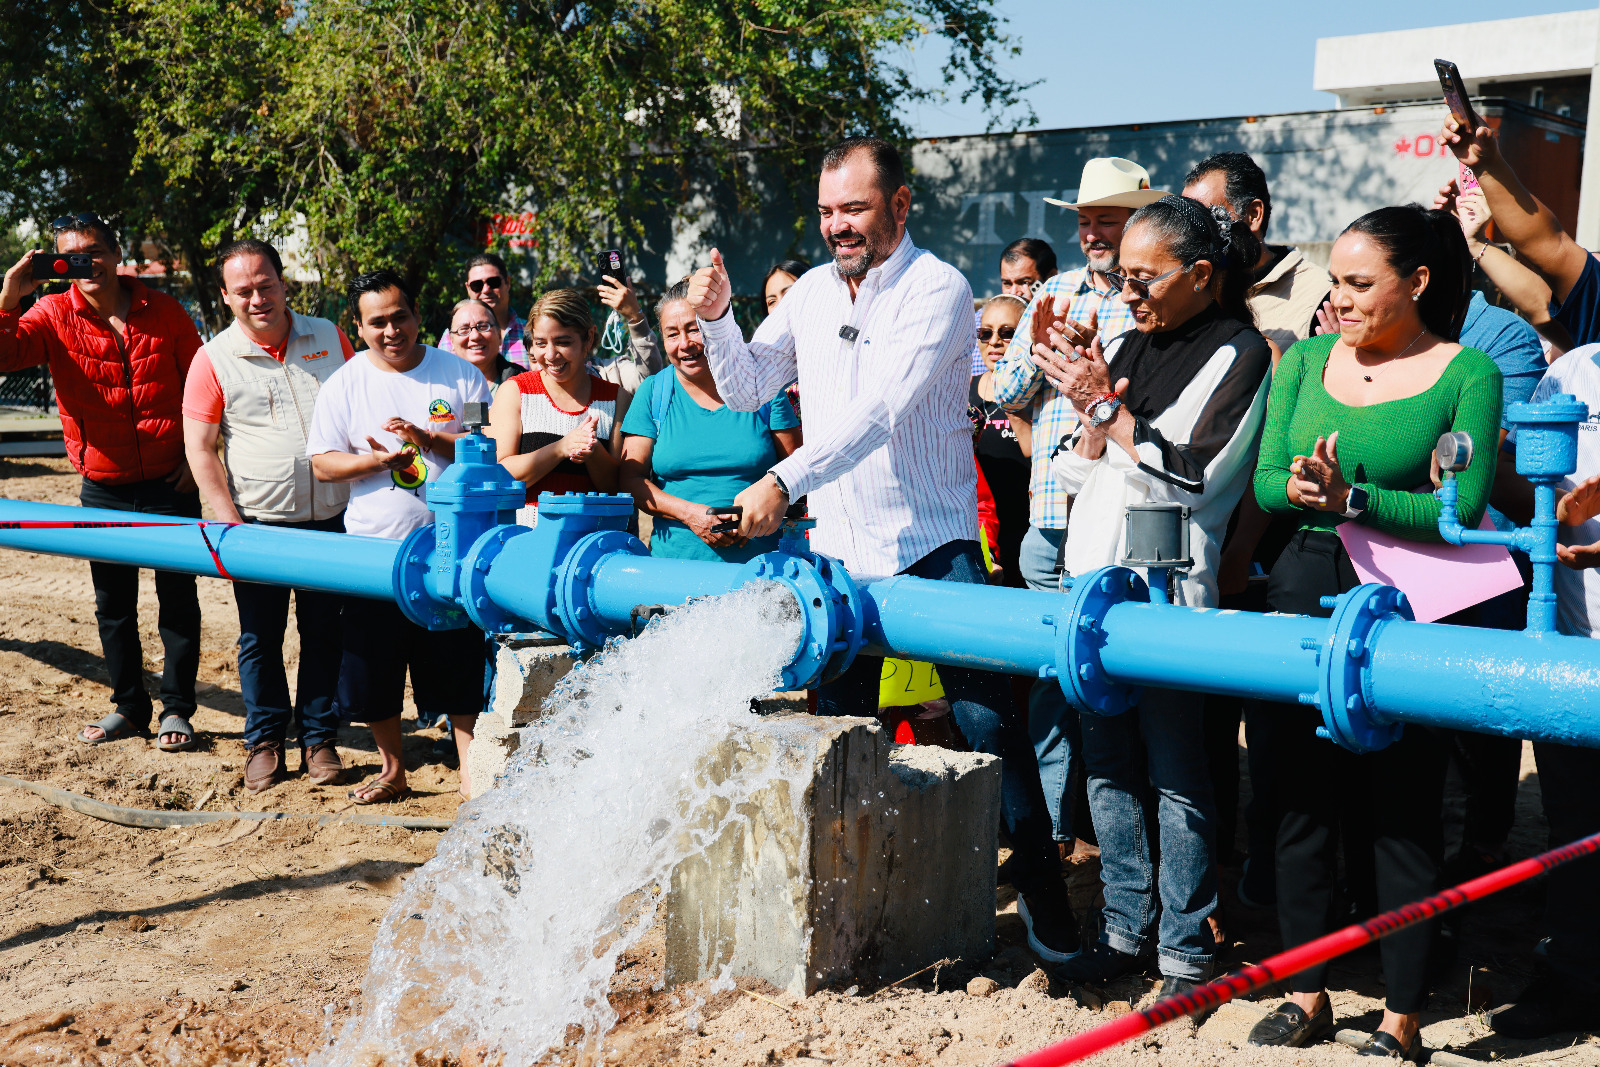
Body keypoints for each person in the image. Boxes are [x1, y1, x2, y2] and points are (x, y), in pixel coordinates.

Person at [687, 135, 1081, 964]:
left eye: (855, 209)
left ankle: (1054, 932)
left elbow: (881, 412)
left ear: (900, 205)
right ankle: (847, 926)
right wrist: (718, 318)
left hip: (936, 547)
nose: (838, 225)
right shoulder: (810, 291)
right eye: (827, 211)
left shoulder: (939, 288)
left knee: (992, 732)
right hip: (841, 557)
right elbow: (747, 387)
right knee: (840, 741)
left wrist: (782, 480)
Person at [1246, 205, 1500, 1057]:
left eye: (1361, 283)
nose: (1341, 300)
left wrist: (1355, 498)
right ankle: (1306, 990)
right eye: (1336, 283)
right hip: (1301, 582)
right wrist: (1306, 491)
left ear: (1417, 282)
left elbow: (1463, 509)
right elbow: (1268, 481)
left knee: (1403, 804)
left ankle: (1401, 1014)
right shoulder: (1303, 358)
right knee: (1297, 799)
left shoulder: (1467, 371)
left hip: (1408, 597)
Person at [1031, 194, 1272, 994]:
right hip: (1092, 585)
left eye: (1144, 278)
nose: (1127, 293)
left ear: (1201, 273)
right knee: (1106, 767)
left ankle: (1186, 947)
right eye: (1122, 276)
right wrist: (1085, 406)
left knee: (1177, 772)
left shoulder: (1241, 351)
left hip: (1168, 591)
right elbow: (1075, 468)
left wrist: (1106, 407)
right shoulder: (1123, 341)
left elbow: (1191, 474)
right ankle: (1123, 928)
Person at [994, 157, 1162, 855]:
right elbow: (1006, 393)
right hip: (1049, 519)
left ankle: (1113, 833)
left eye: (1107, 220)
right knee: (1050, 680)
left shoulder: (1153, 299)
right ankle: (1053, 833)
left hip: (1121, 525)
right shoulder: (1052, 292)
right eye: (1087, 221)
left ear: (1136, 225)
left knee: (1122, 679)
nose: (1093, 233)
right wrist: (1039, 352)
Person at [0, 213, 203, 752]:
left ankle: (177, 709)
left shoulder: (164, 310)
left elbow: (203, 385)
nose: (84, 264)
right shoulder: (50, 313)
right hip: (103, 487)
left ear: (116, 255)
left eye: (93, 252)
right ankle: (130, 707)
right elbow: (4, 356)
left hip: (171, 481)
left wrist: (198, 457)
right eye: (70, 256)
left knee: (177, 600)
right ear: (55, 264)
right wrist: (9, 296)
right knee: (114, 607)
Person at [307, 270, 492, 802]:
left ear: (418, 316)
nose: (391, 330)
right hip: (375, 552)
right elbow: (322, 463)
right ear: (358, 327)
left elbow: (484, 447)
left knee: (458, 661)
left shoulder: (463, 376)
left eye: (399, 317)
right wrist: (376, 462)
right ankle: (392, 769)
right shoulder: (343, 383)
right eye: (377, 322)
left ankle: (470, 768)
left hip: (451, 549)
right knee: (373, 664)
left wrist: (427, 438)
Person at [182, 239, 354, 792]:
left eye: (266, 285)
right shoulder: (212, 359)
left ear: (283, 283)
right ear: (225, 296)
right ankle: (264, 741)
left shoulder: (329, 337)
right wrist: (228, 521)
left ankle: (319, 738)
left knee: (325, 633)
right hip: (258, 523)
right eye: (244, 290)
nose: (257, 298)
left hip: (332, 516)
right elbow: (200, 448)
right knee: (260, 639)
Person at [1486, 343, 1600, 1038]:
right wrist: (1545, 501)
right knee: (1574, 821)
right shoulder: (1572, 370)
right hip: (1571, 638)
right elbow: (1514, 475)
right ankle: (1571, 980)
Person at [618, 279, 801, 562]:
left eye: (694, 329)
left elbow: (797, 473)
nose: (685, 344)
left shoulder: (763, 387)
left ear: (717, 327)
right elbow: (630, 480)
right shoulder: (653, 392)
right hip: (675, 568)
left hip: (764, 570)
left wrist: (757, 511)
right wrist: (691, 515)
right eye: (672, 334)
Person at [489, 289, 630, 525]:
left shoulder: (616, 398)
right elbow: (499, 476)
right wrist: (560, 449)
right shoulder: (515, 391)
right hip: (525, 537)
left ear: (589, 338)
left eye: (563, 342)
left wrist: (594, 452)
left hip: (592, 539)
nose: (551, 355)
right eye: (540, 343)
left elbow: (619, 488)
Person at [1182, 152, 1329, 354]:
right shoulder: (1185, 286)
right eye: (1185, 220)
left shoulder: (1319, 296)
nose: (1190, 233)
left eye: (1206, 218)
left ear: (1253, 215)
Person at [970, 294, 1030, 587]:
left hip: (1027, 533)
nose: (994, 342)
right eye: (985, 333)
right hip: (980, 535)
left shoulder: (1038, 394)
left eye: (1007, 333)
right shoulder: (961, 392)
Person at [970, 238, 1058, 374]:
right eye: (1007, 283)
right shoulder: (980, 319)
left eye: (1024, 282)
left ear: (1051, 277)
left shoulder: (1059, 322)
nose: (1014, 292)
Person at [439, 253, 529, 370]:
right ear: (468, 288)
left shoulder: (532, 332)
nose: (486, 290)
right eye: (477, 285)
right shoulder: (451, 337)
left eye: (493, 282)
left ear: (507, 282)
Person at [593, 268, 664, 391]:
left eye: (564, 342)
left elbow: (649, 382)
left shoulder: (612, 373)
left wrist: (635, 318)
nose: (555, 354)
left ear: (589, 337)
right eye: (545, 343)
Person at [447, 298, 521, 385]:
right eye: (464, 329)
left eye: (483, 327)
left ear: (499, 335)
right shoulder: (439, 384)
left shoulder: (523, 383)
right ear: (452, 341)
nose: (475, 336)